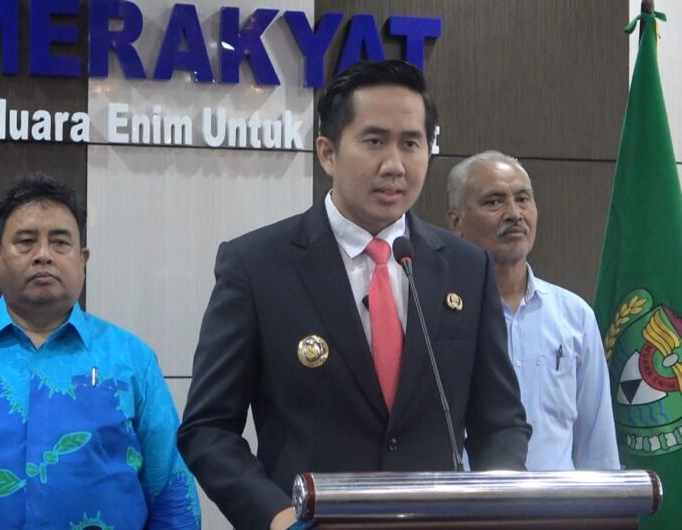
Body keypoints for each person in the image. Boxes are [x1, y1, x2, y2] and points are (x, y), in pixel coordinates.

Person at [178, 60, 531, 530]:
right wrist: (276, 515)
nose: (395, 165)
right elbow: (207, 429)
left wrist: (494, 508)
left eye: (411, 143)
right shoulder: (257, 265)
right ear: (328, 153)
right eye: (374, 141)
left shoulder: (468, 268)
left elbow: (500, 422)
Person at [0, 174, 201, 529]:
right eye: (26, 242)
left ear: (83, 259)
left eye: (60, 242)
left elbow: (171, 493)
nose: (43, 255)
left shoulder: (131, 360)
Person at [446, 150, 620, 471]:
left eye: (523, 199)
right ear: (456, 222)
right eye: (494, 201)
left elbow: (597, 448)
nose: (514, 214)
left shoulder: (575, 316)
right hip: (470, 498)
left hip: (559, 502)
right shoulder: (439, 315)